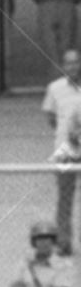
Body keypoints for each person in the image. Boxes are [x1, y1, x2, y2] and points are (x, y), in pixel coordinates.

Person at [46, 49, 81, 256]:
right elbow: (51, 118)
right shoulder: (54, 88)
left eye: (76, 62)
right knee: (65, 198)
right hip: (65, 151)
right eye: (68, 63)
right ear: (63, 65)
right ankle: (63, 241)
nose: (72, 67)